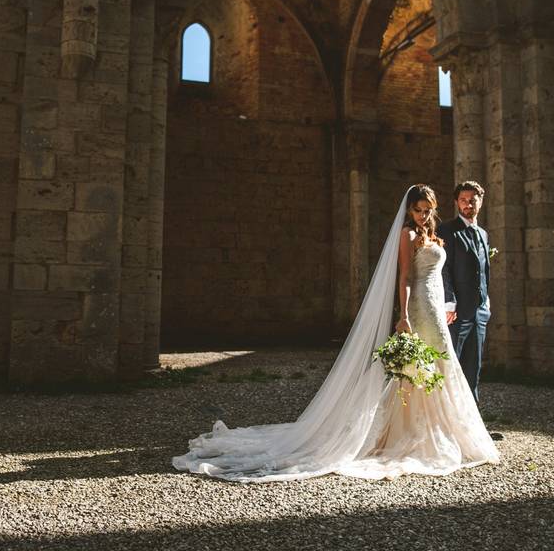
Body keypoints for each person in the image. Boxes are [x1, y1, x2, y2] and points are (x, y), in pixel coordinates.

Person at [172, 185, 499, 482]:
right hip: (419, 311)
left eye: (428, 209)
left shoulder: (433, 235)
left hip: (436, 311)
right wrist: (403, 318)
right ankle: (411, 432)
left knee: (440, 365)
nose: (424, 214)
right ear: (409, 210)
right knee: (417, 372)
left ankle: (441, 428)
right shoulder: (408, 236)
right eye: (418, 209)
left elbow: (437, 277)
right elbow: (405, 278)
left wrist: (445, 304)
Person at [438, 181, 490, 404]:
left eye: (472, 199)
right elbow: (444, 268)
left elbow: (483, 270)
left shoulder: (483, 234)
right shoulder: (447, 230)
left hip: (479, 312)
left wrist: (486, 301)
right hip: (457, 313)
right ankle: (448, 421)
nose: (468, 204)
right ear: (456, 203)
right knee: (452, 367)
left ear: (480, 201)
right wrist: (449, 302)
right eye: (463, 200)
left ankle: (474, 425)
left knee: (473, 368)